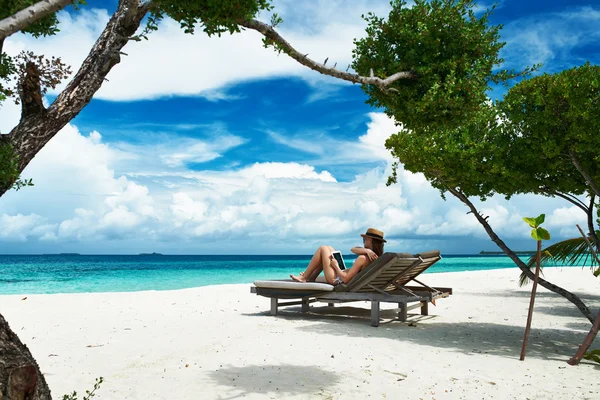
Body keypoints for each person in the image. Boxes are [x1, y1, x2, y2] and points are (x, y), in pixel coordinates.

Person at [290, 228, 386, 285]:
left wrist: (336, 266)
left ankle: (305, 277)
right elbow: (353, 249)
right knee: (330, 249)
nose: (363, 241)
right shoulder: (377, 257)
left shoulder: (362, 258)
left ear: (369, 240)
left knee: (323, 249)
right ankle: (311, 277)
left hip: (337, 279)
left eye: (364, 239)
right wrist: (367, 250)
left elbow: (345, 279)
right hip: (342, 274)